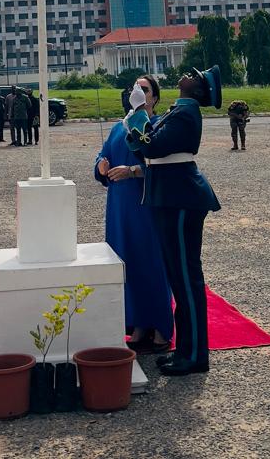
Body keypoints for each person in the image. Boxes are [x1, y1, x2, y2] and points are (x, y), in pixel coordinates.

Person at [124, 65, 221, 377]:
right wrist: (137, 120)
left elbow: (153, 144)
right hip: (169, 197)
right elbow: (144, 148)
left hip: (180, 199)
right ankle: (186, 351)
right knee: (180, 279)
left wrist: (139, 113)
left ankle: (194, 356)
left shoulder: (186, 112)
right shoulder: (177, 111)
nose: (188, 75)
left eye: (195, 76)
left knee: (186, 279)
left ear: (198, 90)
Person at [94, 74, 173, 354]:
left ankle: (161, 325)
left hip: (146, 205)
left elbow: (165, 166)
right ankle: (138, 324)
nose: (138, 92)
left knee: (151, 263)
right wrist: (101, 166)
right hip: (119, 207)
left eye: (144, 89)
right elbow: (103, 155)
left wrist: (133, 171)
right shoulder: (119, 126)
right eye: (134, 88)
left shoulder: (159, 126)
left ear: (154, 97)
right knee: (126, 264)